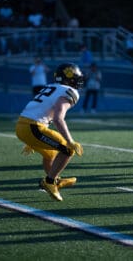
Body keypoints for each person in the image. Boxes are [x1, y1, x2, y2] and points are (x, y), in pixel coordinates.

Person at [16, 63, 84, 201]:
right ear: (70, 78)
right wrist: (70, 141)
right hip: (33, 127)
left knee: (51, 154)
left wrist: (31, 140)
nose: (78, 81)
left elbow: (37, 109)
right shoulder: (70, 92)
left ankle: (55, 181)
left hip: (22, 126)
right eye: (76, 77)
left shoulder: (49, 86)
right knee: (67, 149)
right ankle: (49, 181)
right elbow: (58, 119)